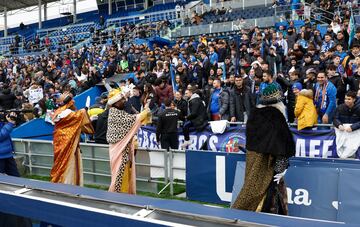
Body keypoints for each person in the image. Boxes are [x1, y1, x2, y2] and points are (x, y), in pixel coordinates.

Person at [232, 83, 295, 214]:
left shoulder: (254, 114)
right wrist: (280, 169)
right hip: (267, 164)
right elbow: (282, 144)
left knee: (250, 189)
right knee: (268, 195)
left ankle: (239, 215)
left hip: (252, 160)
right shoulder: (277, 116)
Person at [106, 89, 151, 194]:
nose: (124, 101)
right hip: (120, 153)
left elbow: (132, 119)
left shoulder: (116, 112)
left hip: (123, 152)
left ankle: (124, 197)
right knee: (120, 177)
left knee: (123, 176)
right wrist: (146, 111)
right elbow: (132, 120)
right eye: (121, 100)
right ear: (115, 103)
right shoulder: (116, 114)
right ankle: (118, 199)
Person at [50, 93, 94, 186]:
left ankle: (61, 184)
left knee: (61, 164)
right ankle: (68, 187)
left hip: (61, 142)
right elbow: (80, 116)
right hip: (68, 145)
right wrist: (86, 108)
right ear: (70, 103)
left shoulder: (58, 112)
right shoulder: (67, 113)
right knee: (68, 165)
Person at [333, 91, 360, 158]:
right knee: (341, 149)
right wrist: (339, 125)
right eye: (345, 99)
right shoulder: (340, 107)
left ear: (354, 99)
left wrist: (353, 127)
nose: (346, 101)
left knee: (353, 148)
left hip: (355, 133)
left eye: (349, 99)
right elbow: (335, 119)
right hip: (342, 132)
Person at [0, 112, 20, 176]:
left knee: (15, 178)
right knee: (2, 180)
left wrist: (12, 121)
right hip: (1, 156)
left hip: (7, 154)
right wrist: (10, 124)